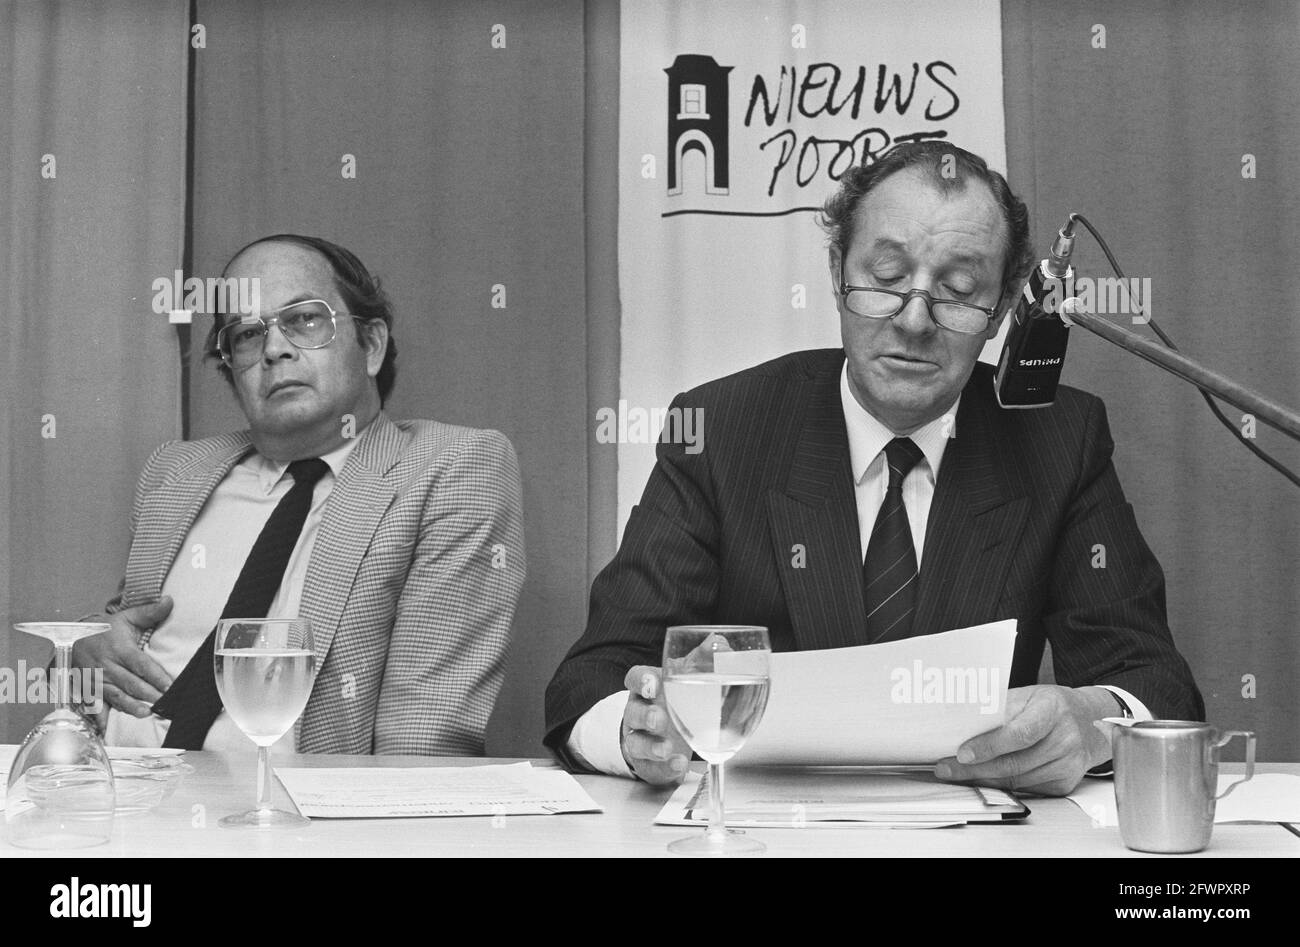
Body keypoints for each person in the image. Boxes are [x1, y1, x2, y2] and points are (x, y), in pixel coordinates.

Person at [544, 142, 1203, 795]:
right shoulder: (721, 430)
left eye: (959, 290)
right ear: (837, 273)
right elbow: (593, 676)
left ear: (1002, 310)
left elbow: (1156, 683)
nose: (915, 319)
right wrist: (636, 732)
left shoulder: (1059, 439)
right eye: (887, 277)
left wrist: (1093, 723)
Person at [73, 234, 525, 755]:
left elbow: (423, 735)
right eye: (245, 334)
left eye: (305, 320)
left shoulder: (450, 468)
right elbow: (120, 636)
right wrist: (83, 650)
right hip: (119, 797)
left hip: (294, 822)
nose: (273, 348)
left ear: (371, 345)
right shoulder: (176, 470)